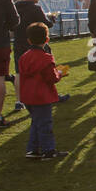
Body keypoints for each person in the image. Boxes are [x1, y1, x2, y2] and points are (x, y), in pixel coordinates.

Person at [18, 23, 68, 160]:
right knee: (45, 124)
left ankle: (33, 149)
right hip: (42, 96)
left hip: (27, 95)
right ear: (47, 39)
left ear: (29, 40)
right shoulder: (46, 58)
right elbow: (51, 78)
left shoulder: (24, 57)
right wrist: (59, 74)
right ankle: (48, 150)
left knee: (36, 122)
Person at [13, 0, 56, 113]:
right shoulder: (35, 8)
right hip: (37, 44)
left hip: (19, 42)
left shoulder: (14, 7)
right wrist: (52, 18)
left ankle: (19, 101)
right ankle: (48, 95)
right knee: (45, 70)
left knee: (19, 73)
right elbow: (47, 24)